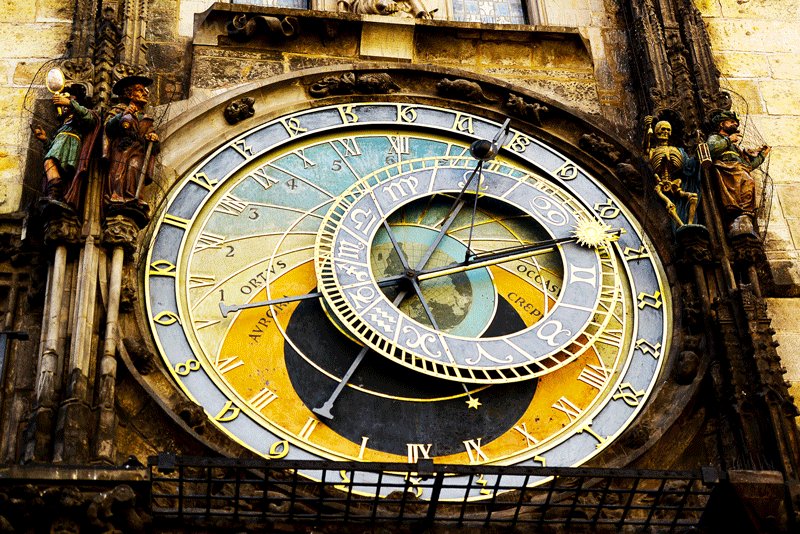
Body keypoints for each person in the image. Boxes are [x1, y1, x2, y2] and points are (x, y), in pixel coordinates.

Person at [32, 86, 99, 208]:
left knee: (49, 162)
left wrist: (69, 102)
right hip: (62, 144)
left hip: (70, 144)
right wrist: (45, 140)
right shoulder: (63, 124)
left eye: (66, 99)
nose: (63, 104)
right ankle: (55, 194)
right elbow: (53, 146)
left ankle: (55, 193)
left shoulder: (80, 116)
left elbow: (90, 119)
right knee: (49, 163)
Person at [104, 76, 159, 208]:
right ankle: (117, 195)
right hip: (121, 149)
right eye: (140, 90)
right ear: (129, 94)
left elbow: (155, 147)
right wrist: (121, 116)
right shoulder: (118, 110)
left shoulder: (146, 119)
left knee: (134, 169)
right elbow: (108, 128)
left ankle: (133, 196)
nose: (146, 93)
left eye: (145, 90)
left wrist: (153, 138)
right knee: (119, 172)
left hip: (138, 150)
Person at [706, 111, 770, 219]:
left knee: (749, 181)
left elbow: (747, 165)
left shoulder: (736, 148)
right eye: (731, 122)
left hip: (739, 171)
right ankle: (738, 212)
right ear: (721, 124)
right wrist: (729, 139)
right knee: (745, 178)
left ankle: (745, 212)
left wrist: (763, 155)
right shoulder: (716, 137)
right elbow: (711, 149)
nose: (735, 124)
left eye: (736, 123)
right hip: (726, 170)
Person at [644, 117, 699, 227]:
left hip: (675, 182)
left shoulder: (678, 151)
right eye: (662, 129)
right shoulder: (653, 151)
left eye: (668, 130)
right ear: (656, 131)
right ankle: (681, 225)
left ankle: (690, 225)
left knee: (693, 197)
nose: (665, 132)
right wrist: (647, 129)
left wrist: (697, 155)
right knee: (670, 205)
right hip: (660, 184)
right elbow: (646, 147)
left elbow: (687, 165)